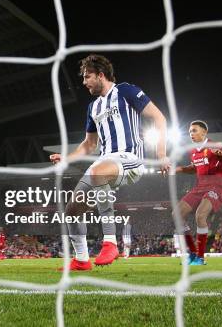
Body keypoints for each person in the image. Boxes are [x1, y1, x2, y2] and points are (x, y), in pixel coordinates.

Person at [50, 54, 169, 271]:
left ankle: (111, 243)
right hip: (104, 163)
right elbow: (89, 144)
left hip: (130, 159)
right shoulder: (93, 107)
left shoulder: (126, 91)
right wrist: (66, 158)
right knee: (72, 210)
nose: (84, 82)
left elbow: (159, 118)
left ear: (101, 75)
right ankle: (82, 260)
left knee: (97, 172)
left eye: (87, 77)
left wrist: (161, 154)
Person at [174, 120, 222, 265]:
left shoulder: (214, 145)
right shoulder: (193, 151)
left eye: (194, 130)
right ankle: (192, 253)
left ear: (204, 132)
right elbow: (195, 167)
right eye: (190, 132)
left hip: (215, 187)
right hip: (198, 188)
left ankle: (200, 257)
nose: (191, 134)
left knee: (200, 215)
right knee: (177, 214)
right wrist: (179, 169)